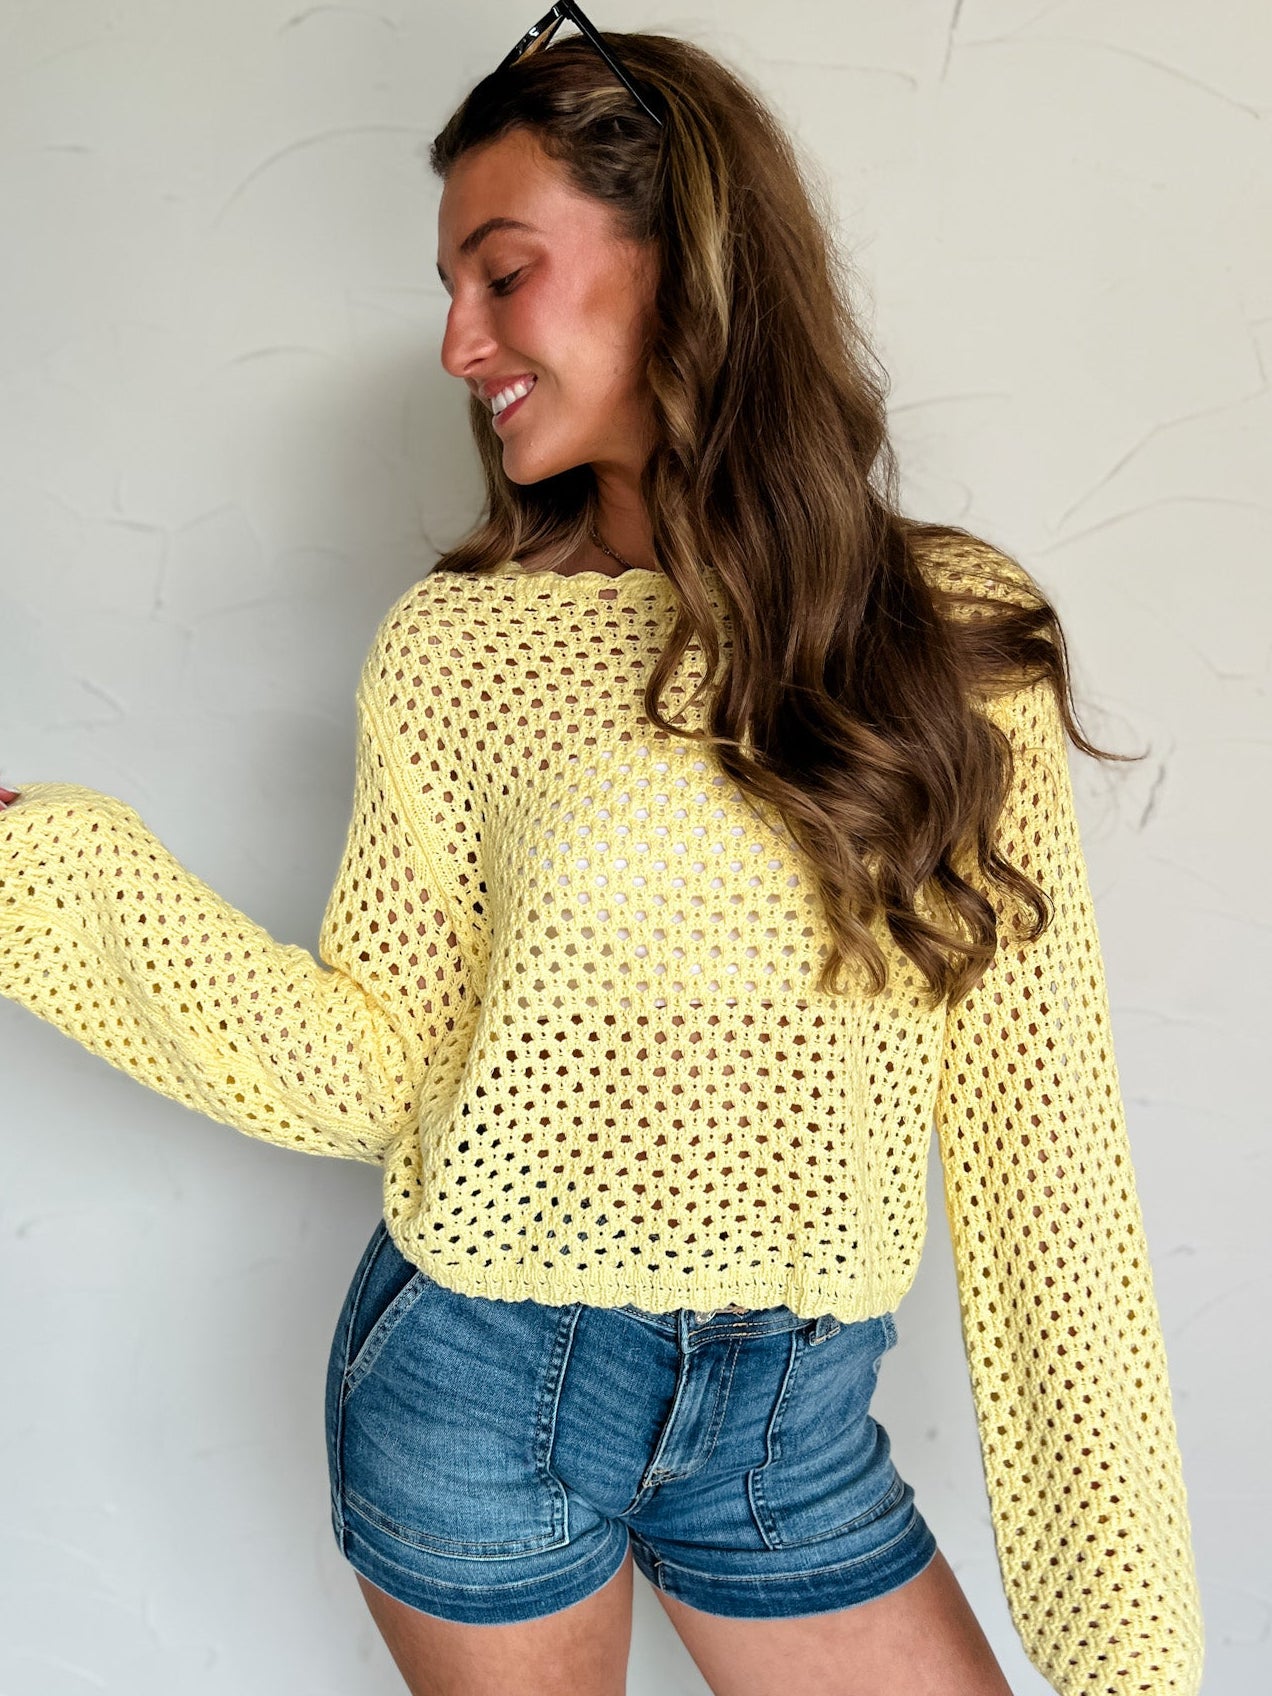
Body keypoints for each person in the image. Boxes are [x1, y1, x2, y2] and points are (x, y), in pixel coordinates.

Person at [0, 11, 1203, 1696]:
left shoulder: (948, 628)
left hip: (792, 1429)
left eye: (502, 274)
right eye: (446, 286)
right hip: (479, 1384)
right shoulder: (456, 652)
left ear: (685, 267)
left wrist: (1132, 1649)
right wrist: (41, 877)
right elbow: (378, 1066)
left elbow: (1040, 1146)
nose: (454, 342)